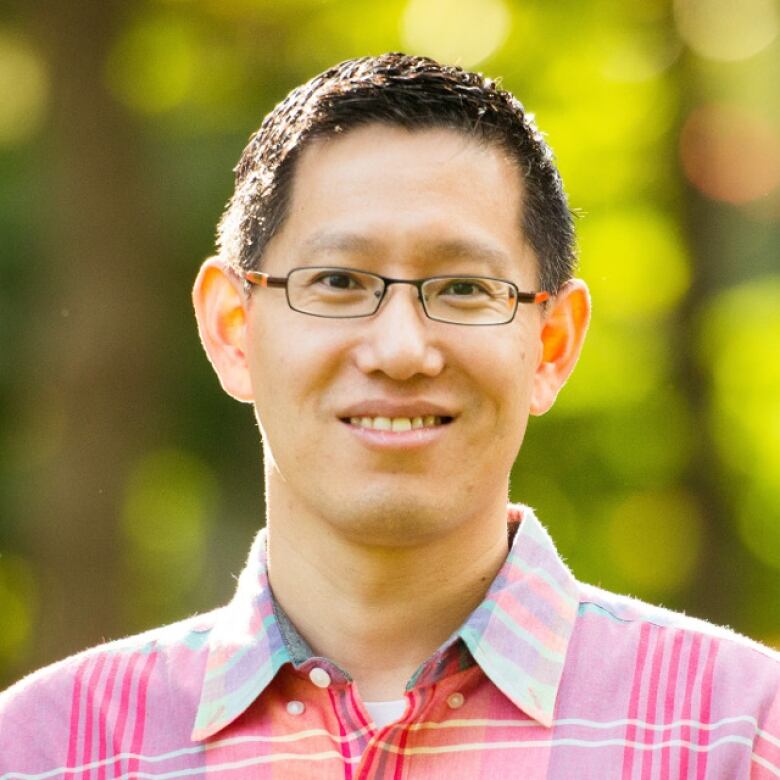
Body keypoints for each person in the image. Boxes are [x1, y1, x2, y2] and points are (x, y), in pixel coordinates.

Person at [0, 52, 777, 779]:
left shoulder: (738, 735)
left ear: (551, 343)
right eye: (337, 280)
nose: (401, 350)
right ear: (233, 330)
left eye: (464, 288)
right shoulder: (48, 748)